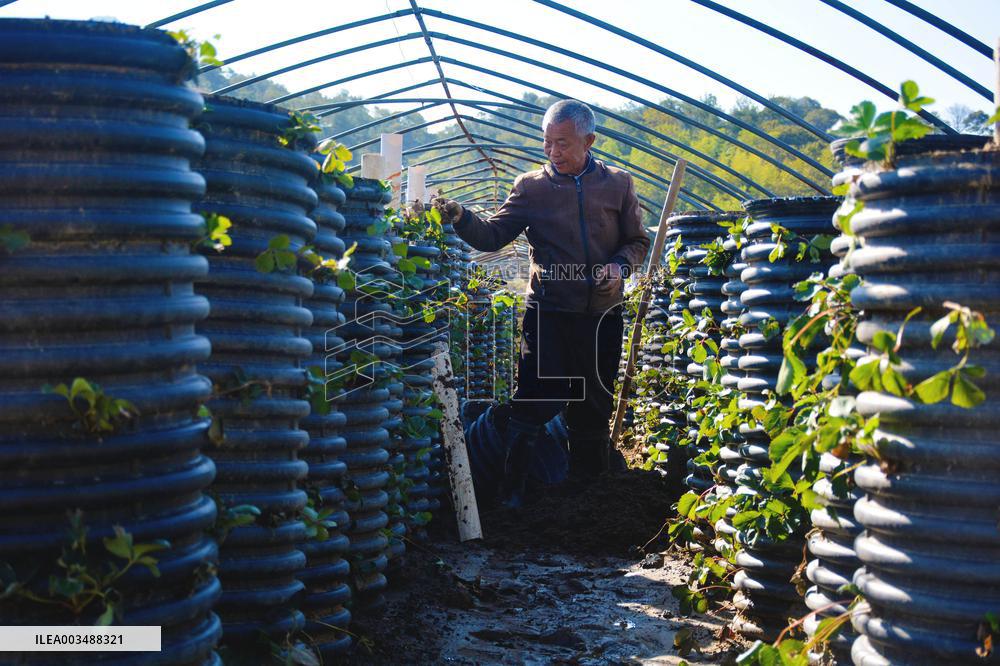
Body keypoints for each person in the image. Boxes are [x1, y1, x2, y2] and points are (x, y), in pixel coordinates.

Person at [434, 99, 650, 507]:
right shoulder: (531, 188)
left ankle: (589, 496)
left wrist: (620, 267)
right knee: (535, 398)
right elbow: (494, 235)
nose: (553, 152)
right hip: (548, 312)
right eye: (547, 143)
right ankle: (514, 493)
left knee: (594, 403)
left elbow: (638, 241)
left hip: (602, 315)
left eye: (563, 144)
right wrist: (461, 216)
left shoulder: (617, 184)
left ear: (590, 141)